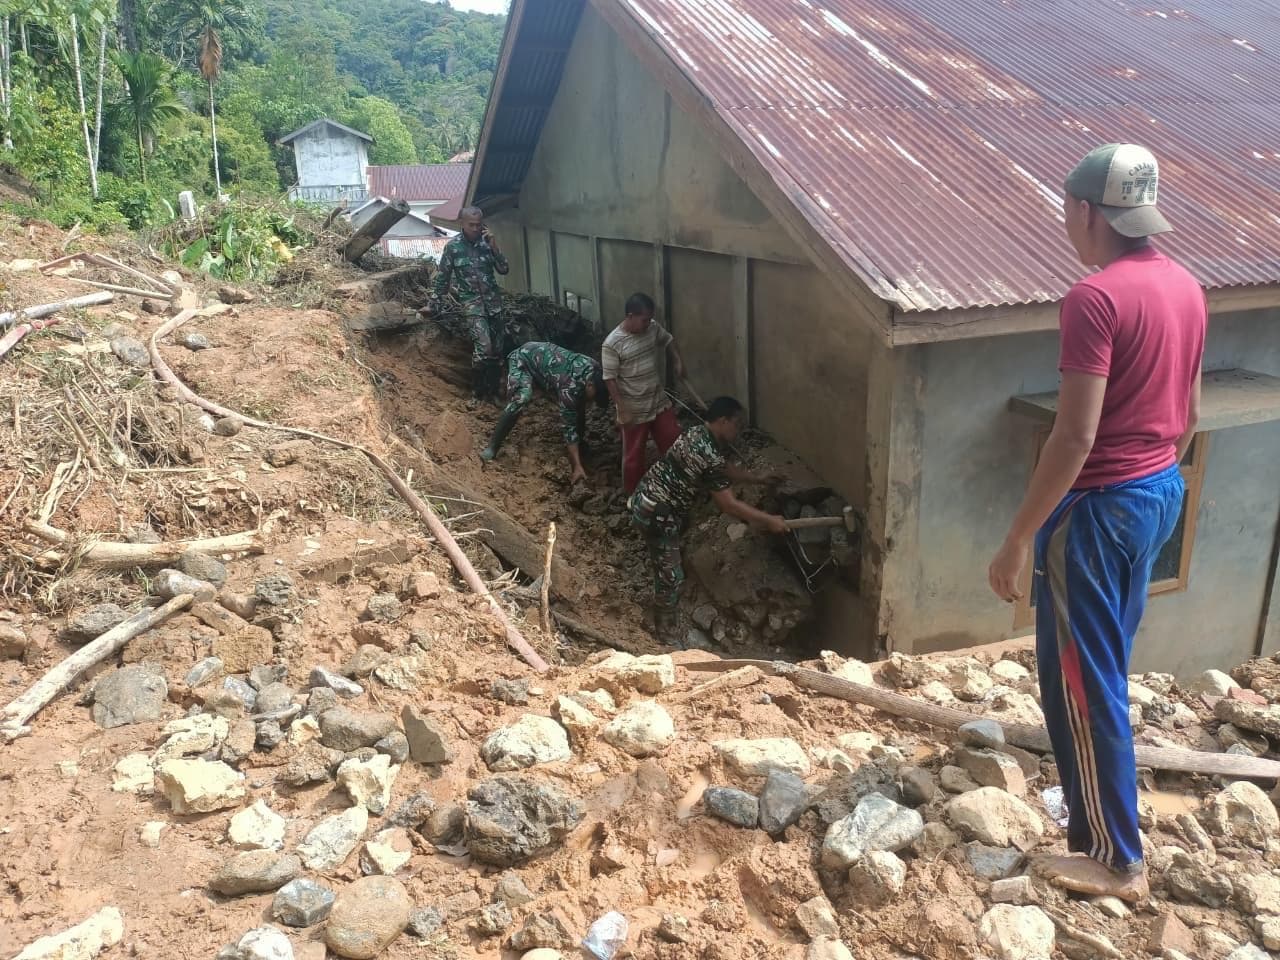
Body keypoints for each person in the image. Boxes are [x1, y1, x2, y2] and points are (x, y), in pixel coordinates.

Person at [988, 143, 1205, 903]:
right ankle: (1098, 830)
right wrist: (1150, 477)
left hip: (1101, 510)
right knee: (1101, 668)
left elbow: (1074, 436)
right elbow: (1190, 417)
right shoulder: (1185, 285)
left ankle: (1117, 860)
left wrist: (1019, 538)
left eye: (1066, 212)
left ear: (1084, 211)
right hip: (1160, 491)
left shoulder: (1095, 298)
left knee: (1084, 681)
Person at [631, 396, 788, 642]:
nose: (739, 431)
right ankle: (664, 629)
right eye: (737, 424)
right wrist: (769, 520)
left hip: (646, 498)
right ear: (723, 421)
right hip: (657, 513)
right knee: (672, 576)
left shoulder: (697, 435)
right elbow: (728, 504)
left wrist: (756, 478)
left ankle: (663, 578)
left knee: (669, 554)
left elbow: (723, 468)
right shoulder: (708, 454)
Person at [481, 341, 608, 483]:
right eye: (594, 397)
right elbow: (569, 428)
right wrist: (577, 466)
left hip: (542, 361)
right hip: (522, 360)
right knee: (521, 399)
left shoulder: (595, 368)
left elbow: (580, 408)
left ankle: (581, 443)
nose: (593, 402)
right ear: (590, 384)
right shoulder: (569, 388)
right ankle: (492, 447)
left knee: (579, 404)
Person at [601, 292, 687, 493]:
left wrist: (677, 360)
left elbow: (668, 340)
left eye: (650, 319)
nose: (648, 324)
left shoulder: (652, 328)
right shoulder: (612, 344)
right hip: (634, 409)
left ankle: (681, 483)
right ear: (630, 316)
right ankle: (633, 496)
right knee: (633, 456)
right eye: (644, 319)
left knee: (674, 441)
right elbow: (609, 379)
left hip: (657, 401)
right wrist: (622, 409)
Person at [422, 206, 509, 404]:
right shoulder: (453, 247)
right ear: (461, 223)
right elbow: (443, 278)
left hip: (494, 305)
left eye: (479, 225)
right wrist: (433, 304)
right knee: (484, 349)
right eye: (472, 225)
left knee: (496, 351)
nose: (476, 229)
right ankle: (477, 393)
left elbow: (504, 269)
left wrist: (494, 246)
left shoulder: (487, 244)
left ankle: (494, 392)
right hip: (473, 306)